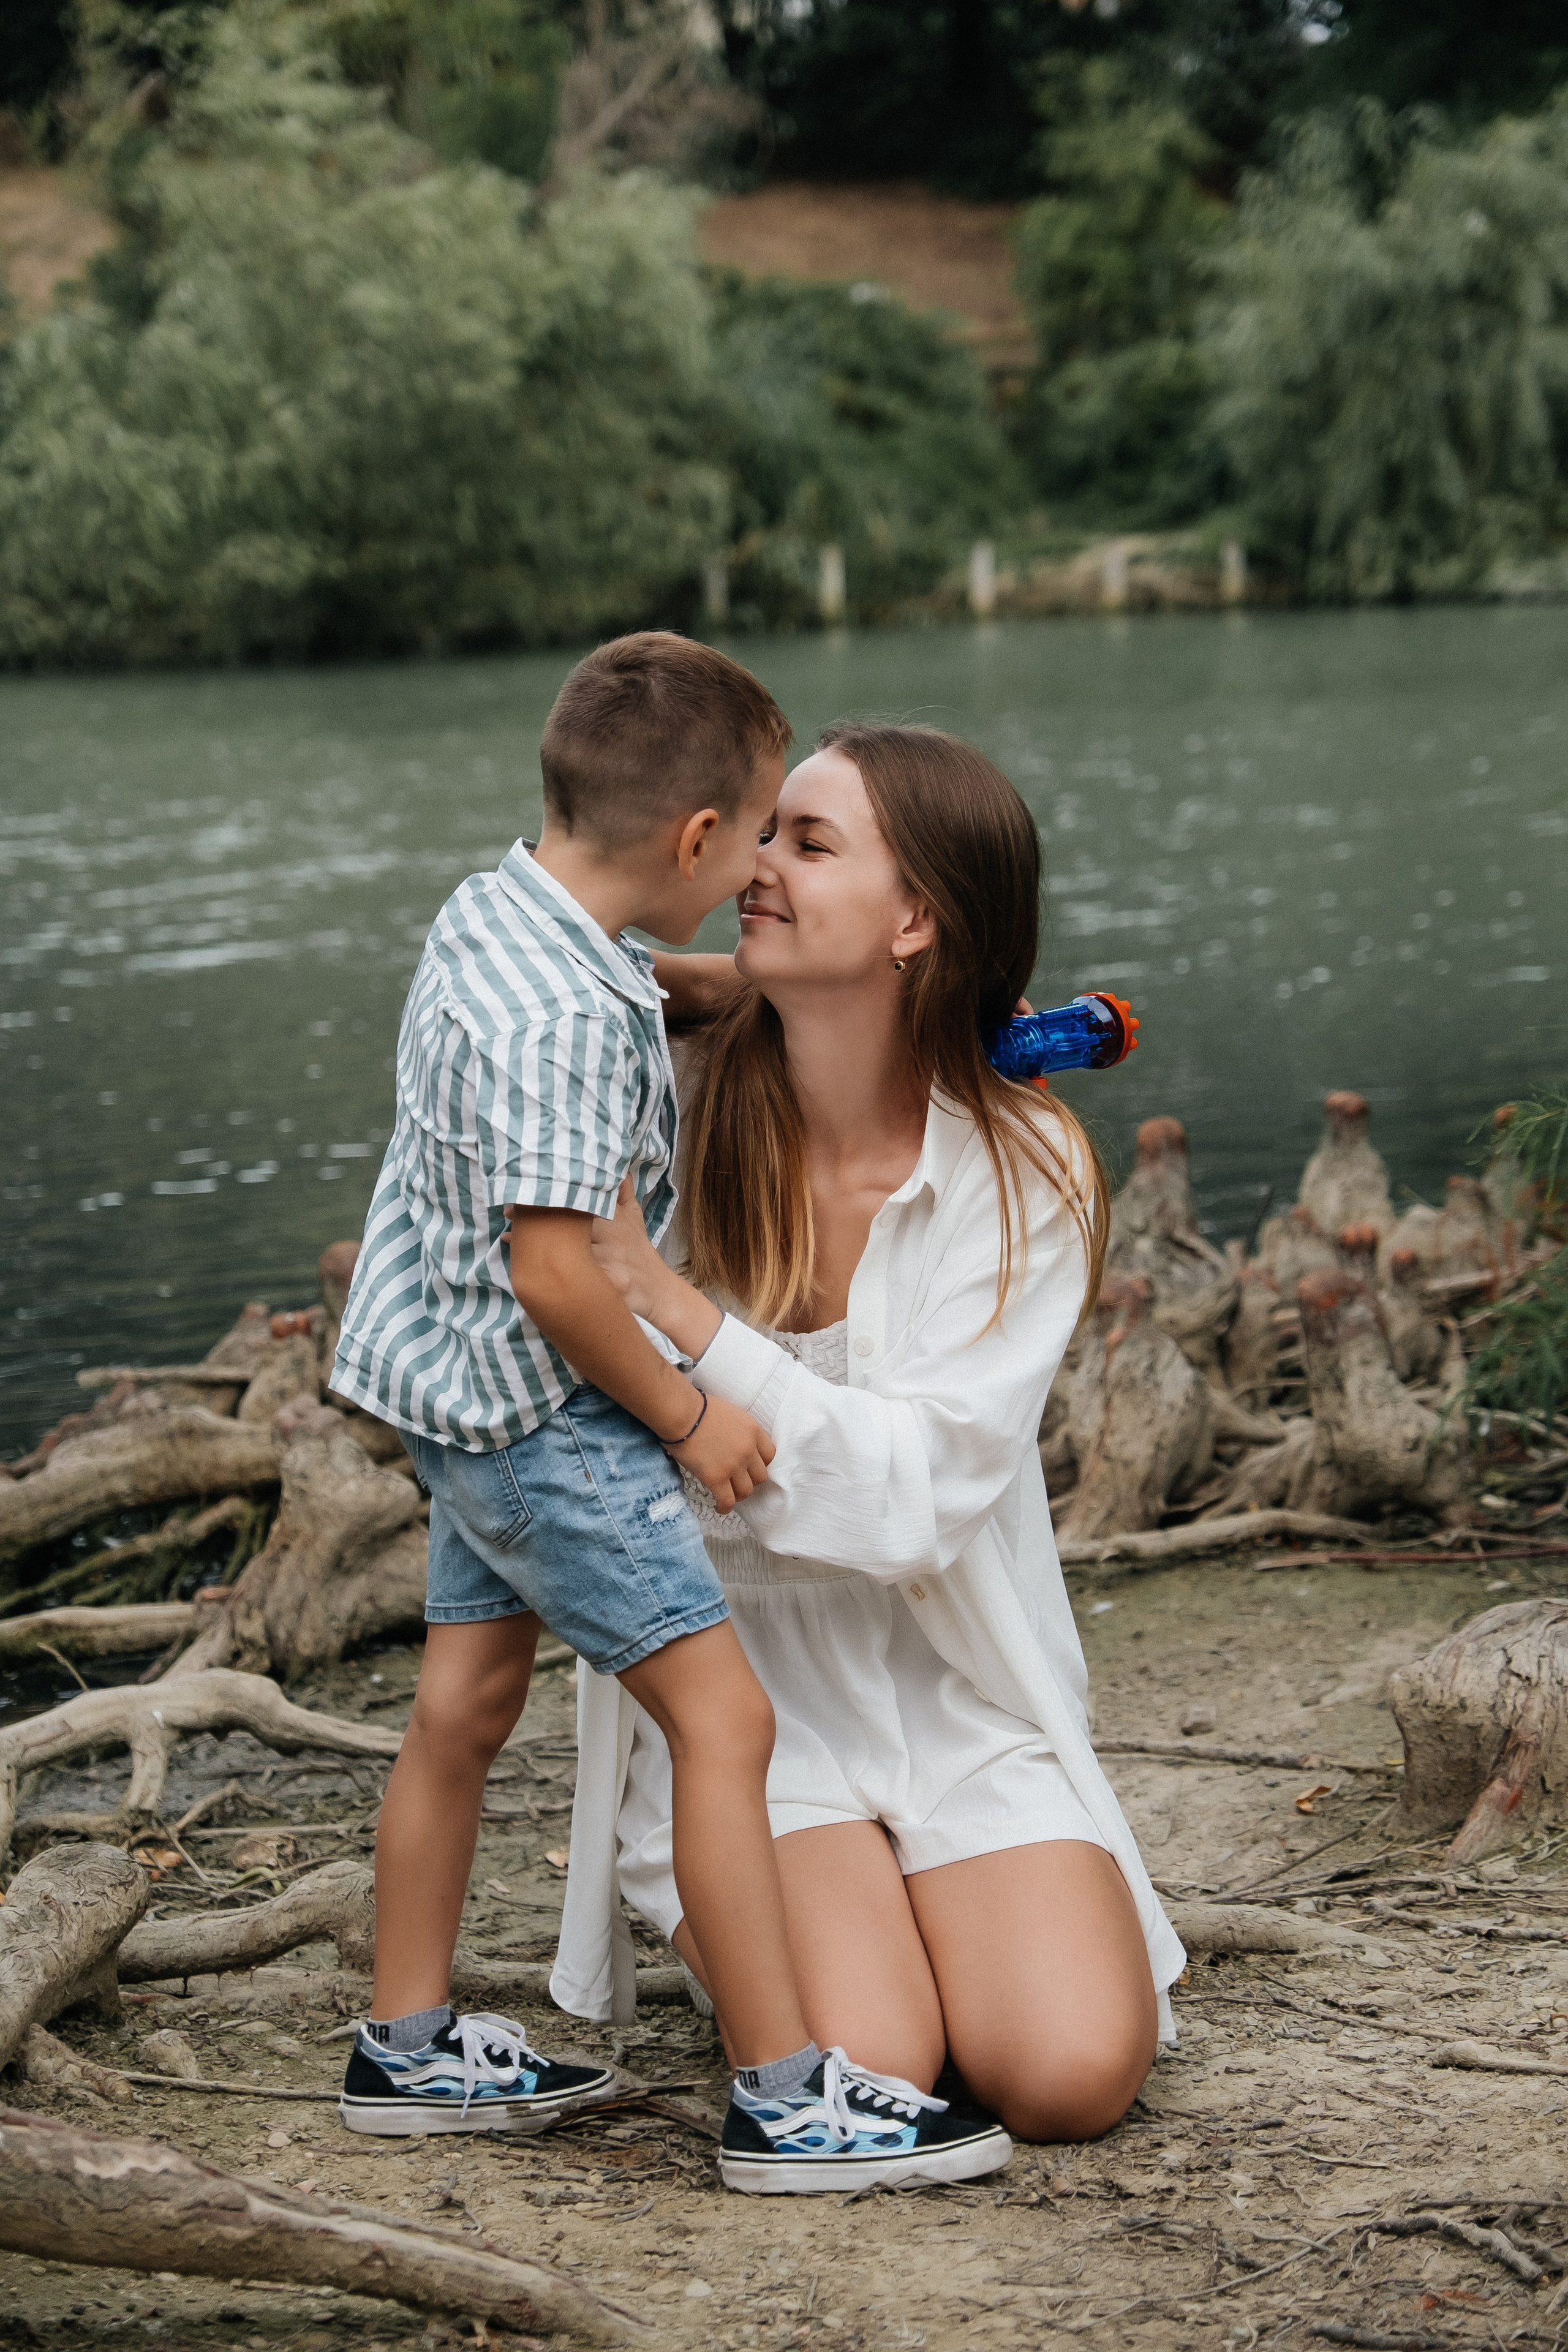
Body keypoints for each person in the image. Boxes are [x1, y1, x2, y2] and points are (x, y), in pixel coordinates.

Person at [329, 638, 1008, 2192]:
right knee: (726, 1719)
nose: (765, 862)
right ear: (695, 841)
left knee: (461, 1709)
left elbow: (634, 987)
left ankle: (406, 2042)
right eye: (760, 832)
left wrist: (717, 990)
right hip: (546, 1416)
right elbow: (563, 1275)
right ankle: (782, 2097)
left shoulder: (505, 918)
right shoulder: (568, 1022)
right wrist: (691, 1414)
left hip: (451, 1397)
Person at [553, 722, 1185, 2165]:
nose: (753, 864)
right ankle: (812, 1921)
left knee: (1069, 2072)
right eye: (767, 834)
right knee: (871, 2059)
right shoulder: (668, 1099)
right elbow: (532, 918)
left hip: (949, 1669)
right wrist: (693, 990)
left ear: (915, 922)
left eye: (806, 843)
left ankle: (936, 1899)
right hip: (732, 1689)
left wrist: (673, 1312)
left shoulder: (1022, 1165)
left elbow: (911, 1507)